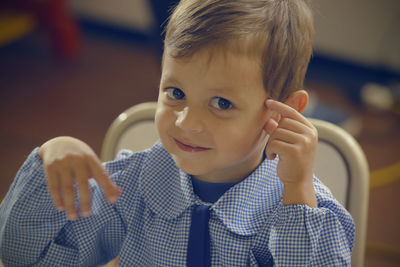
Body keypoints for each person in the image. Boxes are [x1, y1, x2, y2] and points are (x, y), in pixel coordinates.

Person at [0, 0, 355, 266]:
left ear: (284, 109)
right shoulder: (129, 187)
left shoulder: (299, 206)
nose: (186, 123)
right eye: (176, 93)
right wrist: (49, 162)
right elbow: (23, 257)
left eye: (221, 103)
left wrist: (297, 193)